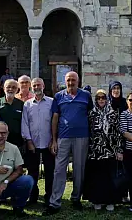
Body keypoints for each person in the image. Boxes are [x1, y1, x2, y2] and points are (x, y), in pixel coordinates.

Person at [45, 71, 93, 215]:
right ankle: (55, 202)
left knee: (79, 169)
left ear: (78, 81)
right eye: (68, 80)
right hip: (63, 138)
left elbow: (91, 115)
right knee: (59, 170)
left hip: (82, 137)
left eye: (73, 80)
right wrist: (54, 140)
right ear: (65, 81)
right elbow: (55, 118)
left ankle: (76, 198)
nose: (71, 83)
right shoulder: (59, 96)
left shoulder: (86, 96)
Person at [84, 89, 123, 211]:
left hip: (110, 150)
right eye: (99, 98)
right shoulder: (91, 114)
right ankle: (97, 200)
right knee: (97, 177)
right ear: (95, 100)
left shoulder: (113, 113)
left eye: (103, 98)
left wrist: (119, 150)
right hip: (95, 151)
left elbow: (117, 133)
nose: (101, 100)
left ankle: (110, 201)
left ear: (107, 99)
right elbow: (88, 132)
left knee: (109, 177)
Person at [21, 77, 54, 206]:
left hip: (48, 143)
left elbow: (54, 122)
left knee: (50, 171)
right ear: (31, 87)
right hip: (33, 143)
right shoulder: (27, 104)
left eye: (38, 85)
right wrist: (28, 141)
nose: (36, 88)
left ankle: (49, 196)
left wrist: (53, 140)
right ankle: (33, 196)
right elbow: (25, 123)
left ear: (43, 86)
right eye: (34, 86)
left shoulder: (51, 102)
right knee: (32, 171)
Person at [0, 79, 24, 148]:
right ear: (4, 88)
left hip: (17, 141)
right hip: (1, 140)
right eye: (8, 87)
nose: (11, 89)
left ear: (17, 89)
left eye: (14, 87)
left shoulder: (21, 104)